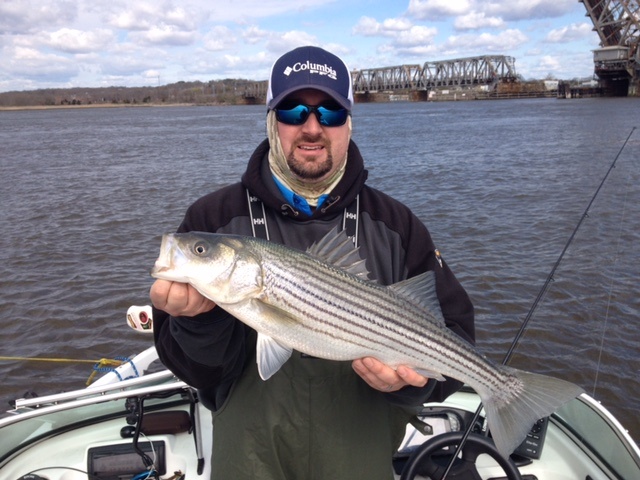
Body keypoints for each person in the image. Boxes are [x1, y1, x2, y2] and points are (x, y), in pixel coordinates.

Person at [150, 45, 475, 480]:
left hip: (358, 461)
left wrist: (411, 384)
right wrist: (197, 322)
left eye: (331, 113)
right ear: (271, 120)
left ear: (348, 124)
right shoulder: (213, 219)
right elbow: (197, 371)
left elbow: (454, 341)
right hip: (248, 462)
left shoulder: (397, 226)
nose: (311, 127)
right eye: (293, 110)